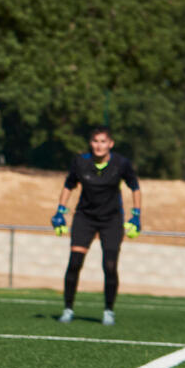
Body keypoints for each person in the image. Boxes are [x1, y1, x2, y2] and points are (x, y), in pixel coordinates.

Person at [51, 126, 141, 325]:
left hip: (112, 220)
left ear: (110, 144)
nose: (98, 146)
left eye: (103, 141)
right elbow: (69, 185)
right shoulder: (80, 163)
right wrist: (60, 211)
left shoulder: (121, 164)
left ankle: (109, 310)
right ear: (90, 143)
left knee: (109, 266)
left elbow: (135, 187)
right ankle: (68, 309)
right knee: (75, 262)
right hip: (85, 217)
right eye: (95, 141)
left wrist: (136, 215)